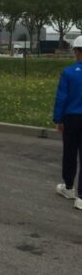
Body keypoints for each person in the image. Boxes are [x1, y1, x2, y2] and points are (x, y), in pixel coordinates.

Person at [53, 35, 82, 210]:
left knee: (70, 152)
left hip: (72, 117)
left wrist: (58, 119)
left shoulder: (69, 72)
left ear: (76, 51)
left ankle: (69, 187)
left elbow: (61, 98)